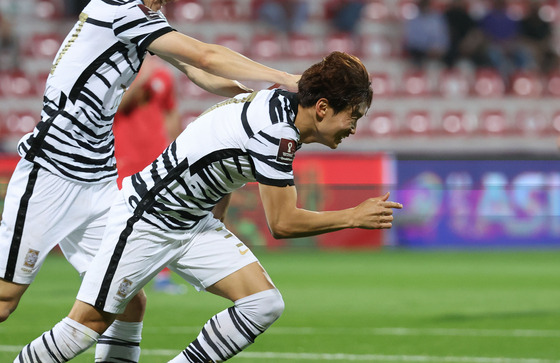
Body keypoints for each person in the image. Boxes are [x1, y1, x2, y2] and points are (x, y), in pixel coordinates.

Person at [14, 51, 403, 362]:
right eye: (353, 116)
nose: (354, 128)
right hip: (147, 217)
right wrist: (353, 216)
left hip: (192, 221)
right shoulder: (278, 135)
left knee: (262, 303)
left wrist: (219, 206)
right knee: (86, 326)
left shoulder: (281, 105)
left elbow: (228, 147)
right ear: (322, 108)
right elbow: (283, 223)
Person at [0, 0, 299, 361]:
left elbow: (196, 70)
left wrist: (252, 101)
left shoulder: (146, 18)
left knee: (126, 303)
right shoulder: (118, 8)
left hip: (99, 179)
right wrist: (285, 79)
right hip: (50, 172)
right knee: (5, 300)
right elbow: (204, 56)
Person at [112, 55, 187, 294]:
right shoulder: (121, 73)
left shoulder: (164, 75)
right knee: (124, 216)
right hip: (124, 155)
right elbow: (117, 106)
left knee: (164, 211)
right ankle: (116, 272)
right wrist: (143, 75)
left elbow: (170, 111)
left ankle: (162, 276)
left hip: (156, 156)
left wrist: (177, 146)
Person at [403, 0, 450, 68]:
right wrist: (427, 49)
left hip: (438, 50)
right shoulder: (413, 20)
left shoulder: (437, 18)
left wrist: (440, 48)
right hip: (421, 50)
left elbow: (443, 36)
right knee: (415, 53)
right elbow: (412, 41)